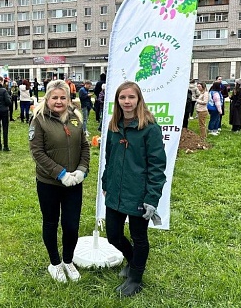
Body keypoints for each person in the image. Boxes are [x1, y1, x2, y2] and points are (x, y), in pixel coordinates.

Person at [102, 81, 167, 297]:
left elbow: (157, 166)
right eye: (123, 98)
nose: (127, 102)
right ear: (117, 100)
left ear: (138, 99)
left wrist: (152, 197)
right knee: (113, 235)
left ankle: (136, 278)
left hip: (139, 193)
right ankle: (133, 262)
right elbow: (109, 158)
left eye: (131, 97)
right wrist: (105, 183)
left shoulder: (149, 128)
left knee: (139, 238)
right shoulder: (114, 126)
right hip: (115, 192)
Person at [29, 79, 90, 283]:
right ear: (47, 99)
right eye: (54, 97)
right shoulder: (39, 120)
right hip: (49, 183)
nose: (58, 101)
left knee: (71, 225)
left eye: (63, 97)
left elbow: (85, 146)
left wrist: (81, 171)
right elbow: (37, 152)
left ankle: (68, 261)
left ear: (68, 98)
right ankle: (54, 263)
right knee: (51, 222)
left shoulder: (76, 118)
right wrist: (60, 173)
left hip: (74, 183)